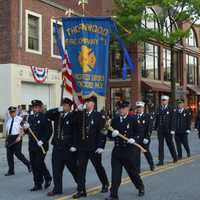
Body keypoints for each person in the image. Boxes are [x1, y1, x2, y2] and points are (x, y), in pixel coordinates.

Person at [105, 100, 145, 200]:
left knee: (132, 173)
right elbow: (109, 134)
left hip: (129, 151)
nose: (121, 110)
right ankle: (113, 195)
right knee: (115, 175)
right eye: (119, 108)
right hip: (117, 151)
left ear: (127, 108)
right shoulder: (115, 120)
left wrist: (134, 139)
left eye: (123, 108)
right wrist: (111, 135)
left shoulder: (133, 119)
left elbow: (140, 132)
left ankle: (140, 187)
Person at [72, 96, 109, 199]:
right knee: (80, 169)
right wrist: (77, 110)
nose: (86, 104)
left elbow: (103, 131)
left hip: (94, 148)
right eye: (86, 102)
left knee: (98, 167)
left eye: (88, 102)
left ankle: (105, 183)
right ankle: (81, 190)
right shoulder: (81, 114)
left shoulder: (98, 116)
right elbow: (73, 124)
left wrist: (101, 146)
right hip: (82, 148)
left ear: (93, 104)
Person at [46, 98, 78, 196]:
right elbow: (47, 114)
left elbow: (76, 132)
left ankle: (81, 184)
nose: (64, 107)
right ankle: (57, 189)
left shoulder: (73, 116)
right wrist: (57, 109)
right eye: (63, 105)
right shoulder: (57, 115)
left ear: (69, 107)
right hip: (57, 147)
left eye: (65, 105)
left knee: (73, 169)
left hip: (68, 148)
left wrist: (74, 145)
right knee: (56, 170)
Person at [23, 100, 52, 191]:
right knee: (34, 164)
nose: (35, 109)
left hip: (41, 146)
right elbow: (28, 132)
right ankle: (37, 183)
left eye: (36, 107)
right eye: (33, 107)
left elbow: (49, 131)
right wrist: (26, 129)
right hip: (32, 145)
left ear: (40, 108)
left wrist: (43, 141)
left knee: (38, 163)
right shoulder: (30, 117)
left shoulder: (45, 117)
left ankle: (47, 178)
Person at [5, 106, 31, 176]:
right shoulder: (9, 120)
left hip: (17, 137)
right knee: (9, 155)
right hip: (10, 138)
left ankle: (28, 164)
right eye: (11, 112)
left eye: (13, 112)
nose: (12, 114)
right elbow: (7, 131)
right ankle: (11, 170)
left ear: (15, 112)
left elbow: (24, 129)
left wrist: (20, 136)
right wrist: (6, 140)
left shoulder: (20, 119)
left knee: (18, 154)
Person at [154, 95, 178, 166]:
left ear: (167, 101)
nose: (163, 101)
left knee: (170, 144)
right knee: (160, 145)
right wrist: (155, 127)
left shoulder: (171, 108)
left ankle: (175, 157)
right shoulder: (158, 108)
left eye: (165, 100)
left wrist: (173, 129)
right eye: (162, 100)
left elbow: (173, 120)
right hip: (160, 130)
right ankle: (161, 161)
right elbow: (157, 118)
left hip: (168, 130)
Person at [132, 101, 155, 172]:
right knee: (136, 154)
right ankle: (137, 169)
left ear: (143, 108)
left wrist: (147, 137)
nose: (139, 109)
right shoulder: (134, 117)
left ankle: (152, 165)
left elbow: (150, 128)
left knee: (146, 152)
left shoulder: (147, 116)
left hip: (144, 138)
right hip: (137, 139)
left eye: (140, 107)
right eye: (138, 107)